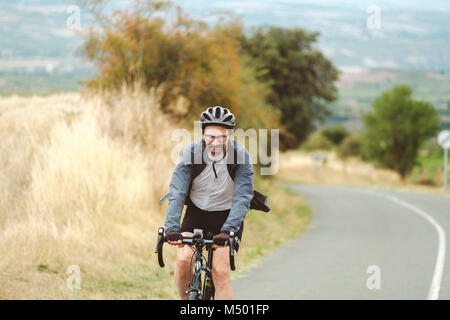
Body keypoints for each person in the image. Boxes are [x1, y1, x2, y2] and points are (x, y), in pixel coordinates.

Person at [163, 106, 254, 300]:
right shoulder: (192, 152)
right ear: (203, 134)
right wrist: (172, 227)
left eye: (222, 137)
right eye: (210, 136)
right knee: (183, 261)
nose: (216, 142)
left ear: (229, 136)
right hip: (196, 213)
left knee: (220, 272)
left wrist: (228, 229)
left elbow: (243, 197)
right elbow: (177, 191)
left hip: (226, 217)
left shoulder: (241, 156)